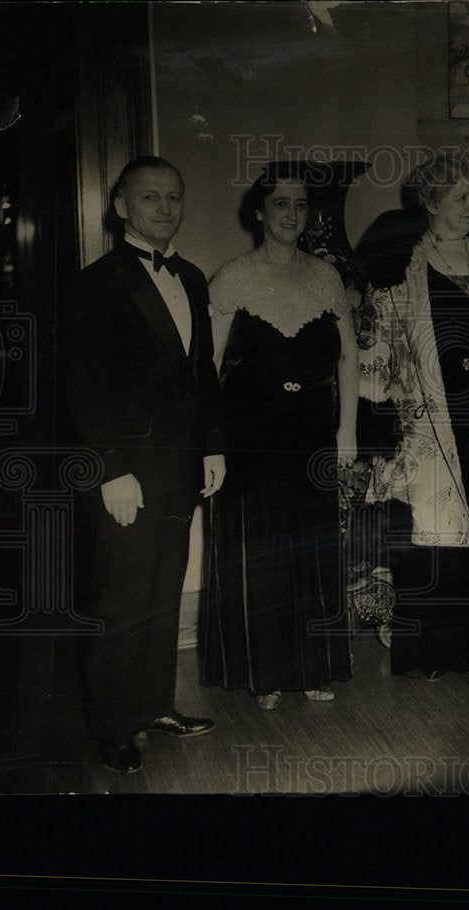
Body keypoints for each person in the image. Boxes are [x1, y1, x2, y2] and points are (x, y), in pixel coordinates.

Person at [66, 156, 225, 775]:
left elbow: (202, 372)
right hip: (127, 472)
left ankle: (153, 705)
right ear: (121, 206)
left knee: (162, 593)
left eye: (174, 197)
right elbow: (84, 386)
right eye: (151, 197)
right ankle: (111, 727)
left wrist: (213, 444)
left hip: (181, 467)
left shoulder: (191, 277)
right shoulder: (96, 282)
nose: (165, 208)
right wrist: (110, 470)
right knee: (123, 599)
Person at [358, 155, 469, 688]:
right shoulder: (401, 271)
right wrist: (376, 431)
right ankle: (434, 651)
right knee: (432, 543)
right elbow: (378, 352)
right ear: (430, 204)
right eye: (461, 198)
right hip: (430, 425)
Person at [201, 162, 357, 708]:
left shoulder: (326, 276)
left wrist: (347, 433)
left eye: (300, 205)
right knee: (261, 554)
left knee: (312, 549)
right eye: (282, 203)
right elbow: (209, 366)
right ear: (259, 211)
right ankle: (265, 674)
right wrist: (212, 442)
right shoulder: (231, 277)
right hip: (251, 437)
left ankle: (312, 670)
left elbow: (349, 357)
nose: (293, 214)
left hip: (312, 433)